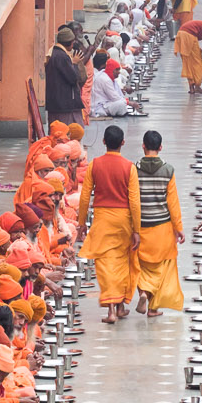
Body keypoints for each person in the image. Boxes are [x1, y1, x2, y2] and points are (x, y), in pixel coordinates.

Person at [77, 123, 138, 322]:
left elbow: (85, 196)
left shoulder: (95, 164)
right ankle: (120, 307)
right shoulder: (130, 167)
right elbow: (135, 202)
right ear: (122, 143)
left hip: (102, 218)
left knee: (104, 263)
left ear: (104, 142)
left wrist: (81, 222)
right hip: (123, 219)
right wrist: (136, 229)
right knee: (121, 262)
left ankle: (111, 309)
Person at [132, 129, 184, 318]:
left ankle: (143, 292)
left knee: (140, 265)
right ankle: (153, 308)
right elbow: (173, 202)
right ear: (160, 147)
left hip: (141, 226)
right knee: (163, 267)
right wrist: (178, 228)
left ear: (143, 146)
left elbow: (132, 200)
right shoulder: (168, 170)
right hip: (162, 226)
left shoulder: (134, 170)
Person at [43, 25, 86, 123]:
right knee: (67, 133)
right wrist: (74, 63)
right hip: (63, 104)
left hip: (58, 102)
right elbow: (73, 78)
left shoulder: (55, 52)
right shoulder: (62, 56)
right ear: (71, 43)